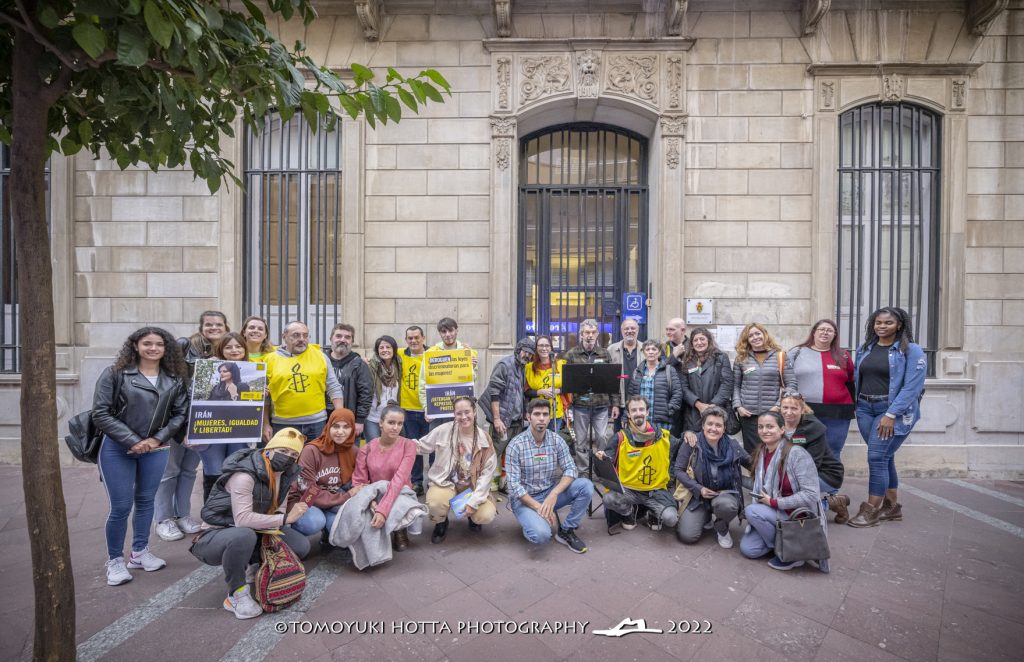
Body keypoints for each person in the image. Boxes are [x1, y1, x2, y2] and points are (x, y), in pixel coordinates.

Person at [93, 326, 189, 586]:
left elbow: (180, 414)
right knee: (121, 507)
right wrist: (134, 441)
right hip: (117, 448)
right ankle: (115, 560)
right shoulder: (115, 374)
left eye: (159, 344)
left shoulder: (174, 378)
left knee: (146, 501)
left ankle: (139, 552)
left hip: (156, 448)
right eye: (147, 343)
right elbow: (100, 413)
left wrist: (156, 439)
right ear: (135, 345)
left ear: (166, 348)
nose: (153, 348)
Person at [190, 428, 311, 619]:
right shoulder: (244, 475)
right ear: (269, 450)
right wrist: (286, 519)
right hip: (216, 536)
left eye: (293, 454)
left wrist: (280, 522)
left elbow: (278, 510)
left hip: (255, 530)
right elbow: (242, 519)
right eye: (283, 451)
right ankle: (236, 594)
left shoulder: (285, 475)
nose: (288, 457)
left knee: (301, 546)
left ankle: (256, 566)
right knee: (243, 535)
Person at [847, 307, 927, 528]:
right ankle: (891, 507)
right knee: (884, 456)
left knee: (876, 457)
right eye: (878, 323)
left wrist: (891, 414)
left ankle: (871, 510)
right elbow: (857, 377)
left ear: (899, 325)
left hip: (890, 410)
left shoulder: (911, 350)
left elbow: (912, 387)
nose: (882, 327)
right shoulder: (865, 348)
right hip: (864, 408)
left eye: (888, 323)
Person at [155, 310, 227, 542]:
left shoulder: (225, 351)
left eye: (219, 325)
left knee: (188, 471)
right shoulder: (186, 347)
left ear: (225, 327)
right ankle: (163, 519)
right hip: (177, 419)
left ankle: (183, 515)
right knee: (170, 471)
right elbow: (170, 380)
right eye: (209, 324)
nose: (214, 328)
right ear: (201, 326)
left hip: (204, 421)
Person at [505, 399, 593, 553]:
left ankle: (566, 530)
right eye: (537, 414)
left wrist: (554, 493)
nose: (541, 418)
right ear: (528, 417)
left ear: (550, 418)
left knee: (585, 485)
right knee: (541, 535)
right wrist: (538, 508)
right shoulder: (515, 445)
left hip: (549, 493)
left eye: (545, 414)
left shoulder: (556, 440)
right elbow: (513, 486)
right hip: (524, 499)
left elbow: (571, 469)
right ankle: (534, 521)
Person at [740, 412, 824, 571]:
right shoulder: (761, 452)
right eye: (761, 427)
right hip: (774, 513)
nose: (765, 431)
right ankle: (786, 544)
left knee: (752, 510)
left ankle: (793, 552)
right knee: (749, 549)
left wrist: (775, 502)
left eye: (770, 426)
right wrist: (735, 478)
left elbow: (811, 494)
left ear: (782, 429)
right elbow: (759, 485)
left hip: (796, 516)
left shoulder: (797, 454)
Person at [417, 396, 498, 544]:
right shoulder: (443, 430)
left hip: (471, 486)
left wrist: (473, 503)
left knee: (485, 515)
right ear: (454, 414)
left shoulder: (484, 439)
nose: (463, 417)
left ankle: (473, 518)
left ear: (474, 412)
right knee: (435, 503)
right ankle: (441, 522)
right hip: (445, 483)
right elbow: (422, 446)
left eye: (467, 412)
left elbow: (487, 476)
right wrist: (397, 443)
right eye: (459, 413)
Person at [594, 395, 678, 535]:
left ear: (647, 412)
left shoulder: (663, 436)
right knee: (608, 499)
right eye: (634, 410)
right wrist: (601, 459)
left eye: (641, 409)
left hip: (655, 491)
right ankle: (629, 512)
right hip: (629, 490)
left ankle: (653, 513)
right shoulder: (620, 437)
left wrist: (689, 433)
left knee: (671, 519)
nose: (638, 413)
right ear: (628, 413)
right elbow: (606, 464)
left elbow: (680, 450)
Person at [675, 406, 751, 548]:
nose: (713, 428)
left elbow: (752, 463)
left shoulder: (732, 445)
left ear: (724, 428)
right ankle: (706, 516)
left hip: (723, 494)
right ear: (703, 425)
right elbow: (678, 470)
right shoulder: (692, 442)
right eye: (710, 424)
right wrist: (698, 488)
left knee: (727, 506)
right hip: (697, 495)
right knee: (687, 536)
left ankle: (722, 528)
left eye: (718, 425)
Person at [350, 405, 418, 551]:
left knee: (399, 500)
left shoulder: (409, 446)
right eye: (391, 422)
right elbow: (359, 481)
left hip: (400, 492)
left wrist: (383, 510)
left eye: (400, 424)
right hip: (375, 494)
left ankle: (399, 529)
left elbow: (399, 479)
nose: (396, 427)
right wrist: (371, 502)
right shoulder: (366, 449)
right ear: (381, 423)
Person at [288, 407, 358, 547]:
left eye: (346, 427)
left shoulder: (354, 451)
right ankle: (292, 537)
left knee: (343, 527)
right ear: (328, 426)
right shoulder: (311, 450)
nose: (340, 432)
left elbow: (356, 483)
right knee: (314, 522)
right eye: (336, 426)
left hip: (333, 498)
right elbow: (307, 490)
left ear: (352, 429)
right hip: (306, 499)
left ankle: (328, 531)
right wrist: (345, 497)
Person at [263, 321, 343, 443]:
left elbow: (333, 387)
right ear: (284, 337)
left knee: (315, 460)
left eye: (305, 335)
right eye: (296, 335)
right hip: (282, 425)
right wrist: (265, 424)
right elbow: (265, 397)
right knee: (285, 461)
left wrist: (339, 416)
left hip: (316, 424)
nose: (302, 339)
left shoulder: (320, 356)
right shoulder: (270, 360)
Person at [789, 319, 856, 460]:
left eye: (830, 330)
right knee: (801, 449)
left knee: (832, 451)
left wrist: (854, 407)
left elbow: (850, 382)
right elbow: (785, 379)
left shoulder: (844, 355)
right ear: (814, 332)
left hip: (838, 412)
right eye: (822, 329)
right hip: (805, 411)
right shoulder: (796, 352)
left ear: (835, 335)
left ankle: (830, 482)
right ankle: (804, 482)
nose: (825, 333)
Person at [779, 392, 849, 524]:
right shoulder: (777, 424)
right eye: (785, 408)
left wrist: (786, 480)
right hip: (794, 472)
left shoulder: (813, 427)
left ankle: (829, 503)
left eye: (794, 408)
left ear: (802, 409)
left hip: (825, 474)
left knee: (797, 511)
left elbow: (812, 464)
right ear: (779, 408)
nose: (788, 412)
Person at [732, 323, 797, 454]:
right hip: (748, 415)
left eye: (758, 333)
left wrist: (778, 406)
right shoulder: (741, 359)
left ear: (764, 334)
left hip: (772, 413)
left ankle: (772, 475)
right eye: (750, 335)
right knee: (752, 453)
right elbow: (735, 386)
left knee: (773, 451)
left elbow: (791, 385)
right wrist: (738, 406)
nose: (755, 337)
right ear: (747, 339)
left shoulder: (780, 356)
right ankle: (755, 475)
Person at [563, 319, 618, 472]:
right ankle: (583, 470)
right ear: (581, 334)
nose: (590, 335)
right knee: (580, 441)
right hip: (580, 406)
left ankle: (601, 470)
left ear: (597, 334)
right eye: (587, 332)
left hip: (601, 405)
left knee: (601, 438)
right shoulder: (572, 355)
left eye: (593, 332)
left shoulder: (604, 354)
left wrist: (615, 403)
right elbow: (565, 381)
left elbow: (612, 380)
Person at [420, 317, 479, 431]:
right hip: (438, 411)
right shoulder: (431, 353)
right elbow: (423, 383)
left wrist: (473, 367)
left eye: (451, 330)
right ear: (440, 333)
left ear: (457, 330)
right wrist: (427, 408)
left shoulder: (467, 352)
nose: (448, 334)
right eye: (444, 331)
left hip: (462, 412)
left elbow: (472, 381)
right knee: (438, 446)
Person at [481, 336, 535, 456]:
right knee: (494, 455)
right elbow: (494, 393)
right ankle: (488, 475)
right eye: (525, 351)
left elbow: (520, 394)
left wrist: (525, 412)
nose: (527, 355)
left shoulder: (522, 368)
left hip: (516, 422)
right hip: (502, 421)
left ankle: (507, 475)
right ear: (518, 350)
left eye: (530, 354)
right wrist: (496, 419)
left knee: (513, 455)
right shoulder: (504, 365)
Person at [679, 328, 734, 434]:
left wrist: (713, 405)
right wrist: (698, 404)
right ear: (691, 343)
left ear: (708, 340)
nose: (699, 342)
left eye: (702, 339)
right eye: (695, 340)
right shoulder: (687, 360)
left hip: (717, 410)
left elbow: (727, 383)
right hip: (694, 413)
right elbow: (683, 387)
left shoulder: (721, 357)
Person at [324, 323, 373, 438]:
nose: (343, 340)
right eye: (338, 336)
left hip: (348, 420)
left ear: (352, 341)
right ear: (331, 338)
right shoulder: (321, 361)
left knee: (347, 454)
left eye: (347, 337)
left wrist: (360, 420)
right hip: (323, 419)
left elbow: (366, 394)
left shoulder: (359, 364)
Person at [626, 339, 682, 436]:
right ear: (644, 352)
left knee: (661, 449)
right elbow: (631, 395)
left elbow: (677, 393)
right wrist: (626, 415)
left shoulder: (669, 370)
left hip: (662, 421)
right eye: (647, 349)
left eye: (654, 349)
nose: (651, 352)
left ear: (659, 352)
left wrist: (669, 410)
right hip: (641, 421)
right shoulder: (637, 372)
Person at [398, 326, 429, 493]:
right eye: (410, 338)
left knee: (433, 449)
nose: (413, 341)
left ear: (423, 338)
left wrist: (468, 354)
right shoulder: (401, 354)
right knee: (413, 448)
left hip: (428, 410)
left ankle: (433, 481)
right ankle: (417, 482)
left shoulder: (432, 354)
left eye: (417, 337)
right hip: (408, 410)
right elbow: (382, 353)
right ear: (406, 340)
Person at [524, 335, 566, 430]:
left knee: (553, 441)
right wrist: (541, 392)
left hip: (555, 412)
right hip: (536, 412)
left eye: (547, 345)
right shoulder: (529, 368)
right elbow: (526, 391)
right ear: (536, 348)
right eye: (541, 345)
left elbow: (569, 386)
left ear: (551, 348)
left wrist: (558, 391)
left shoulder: (561, 365)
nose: (544, 348)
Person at [365, 335, 401, 444]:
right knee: (375, 450)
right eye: (381, 348)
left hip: (392, 419)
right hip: (373, 418)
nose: (385, 350)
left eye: (388, 347)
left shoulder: (398, 365)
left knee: (391, 451)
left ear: (394, 349)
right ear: (377, 350)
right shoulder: (369, 366)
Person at [607, 318, 641, 430]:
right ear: (622, 331)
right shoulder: (611, 350)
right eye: (626, 328)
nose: (629, 331)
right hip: (620, 403)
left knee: (640, 436)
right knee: (619, 438)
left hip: (640, 404)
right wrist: (614, 405)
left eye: (633, 328)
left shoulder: (646, 349)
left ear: (638, 330)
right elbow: (609, 380)